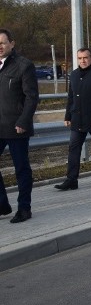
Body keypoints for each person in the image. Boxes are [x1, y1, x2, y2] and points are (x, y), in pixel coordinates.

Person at [55, 48, 91, 191]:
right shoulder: (74, 75)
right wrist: (68, 116)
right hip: (77, 119)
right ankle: (71, 180)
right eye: (80, 58)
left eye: (85, 57)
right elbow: (71, 97)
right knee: (73, 149)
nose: (83, 61)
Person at [0, 29, 39, 223]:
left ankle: (24, 209)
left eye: (3, 43)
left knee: (21, 169)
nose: (0, 47)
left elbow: (32, 97)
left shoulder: (24, 66)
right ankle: (2, 204)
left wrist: (23, 121)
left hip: (16, 127)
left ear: (12, 44)